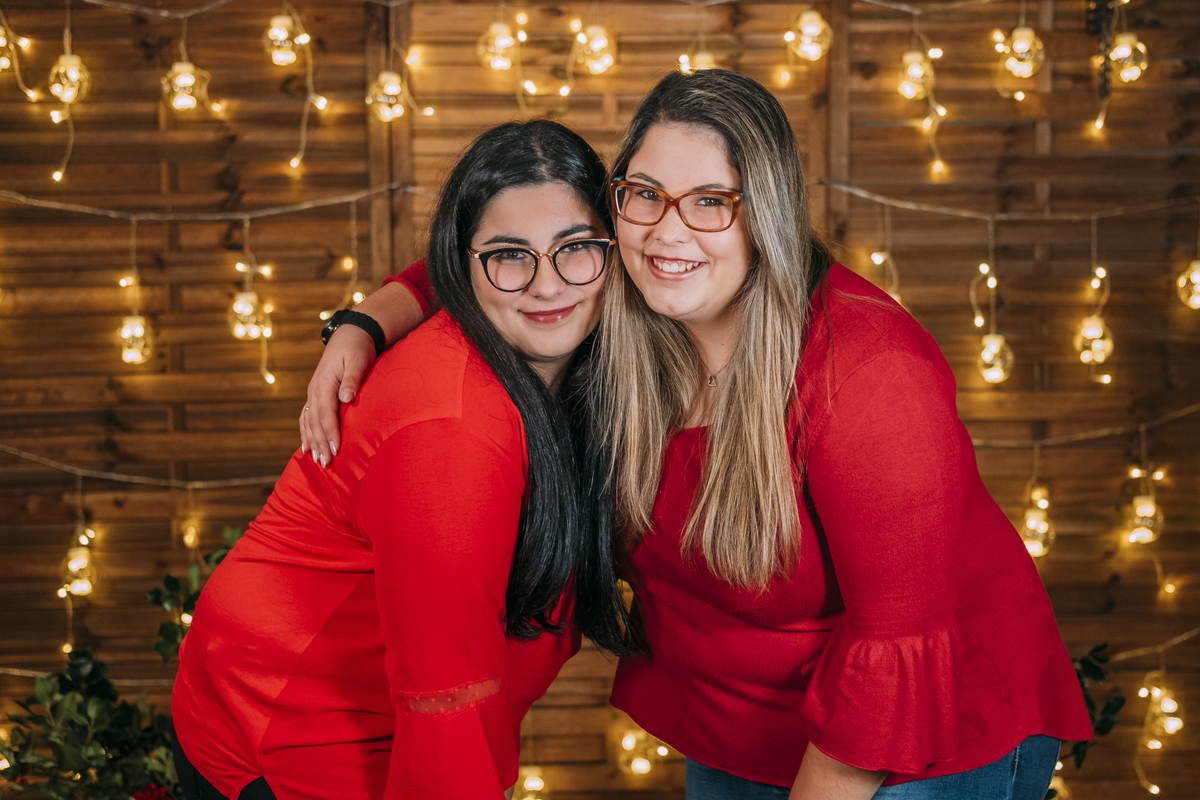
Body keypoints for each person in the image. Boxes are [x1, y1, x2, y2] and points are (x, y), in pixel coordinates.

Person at [302, 71, 1094, 800]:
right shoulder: (612, 299)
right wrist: (365, 323)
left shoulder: (870, 374)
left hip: (914, 741)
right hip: (730, 728)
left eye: (711, 201)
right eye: (645, 194)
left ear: (768, 215)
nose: (667, 232)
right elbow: (483, 255)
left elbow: (893, 659)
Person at [172, 119, 634, 800]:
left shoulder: (580, 343)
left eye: (575, 248)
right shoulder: (451, 430)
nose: (547, 286)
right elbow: (445, 696)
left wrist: (369, 315)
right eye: (510, 256)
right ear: (464, 265)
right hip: (299, 735)